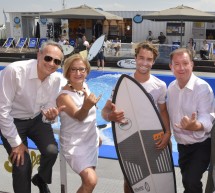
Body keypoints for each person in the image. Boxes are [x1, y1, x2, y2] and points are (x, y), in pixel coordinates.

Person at [102, 41, 171, 193]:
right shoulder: (123, 84)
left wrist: (168, 133)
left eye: (148, 59)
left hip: (153, 137)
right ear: (135, 58)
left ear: (153, 61)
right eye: (141, 58)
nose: (144, 62)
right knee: (131, 181)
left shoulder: (159, 85)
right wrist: (110, 116)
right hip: (130, 137)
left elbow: (163, 111)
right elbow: (105, 111)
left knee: (158, 180)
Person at [0, 40, 65, 193]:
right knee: (22, 166)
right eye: (48, 58)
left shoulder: (56, 79)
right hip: (12, 120)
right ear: (38, 55)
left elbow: (48, 110)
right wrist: (16, 143)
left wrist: (51, 116)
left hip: (36, 119)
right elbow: (2, 110)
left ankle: (40, 179)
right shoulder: (14, 71)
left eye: (57, 61)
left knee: (51, 151)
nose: (51, 64)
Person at [167, 48, 214, 193]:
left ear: (192, 65)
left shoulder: (202, 88)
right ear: (171, 66)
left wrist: (196, 125)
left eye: (185, 63)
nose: (181, 68)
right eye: (177, 64)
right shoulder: (171, 89)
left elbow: (208, 117)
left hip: (201, 145)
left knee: (191, 181)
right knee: (187, 181)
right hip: (182, 145)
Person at [56, 54, 101, 193]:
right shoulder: (63, 96)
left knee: (87, 182)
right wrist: (87, 106)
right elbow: (79, 116)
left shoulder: (85, 87)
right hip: (74, 144)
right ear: (67, 72)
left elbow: (91, 117)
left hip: (90, 141)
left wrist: (97, 133)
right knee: (91, 180)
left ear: (87, 71)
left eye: (81, 69)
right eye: (73, 69)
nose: (78, 73)